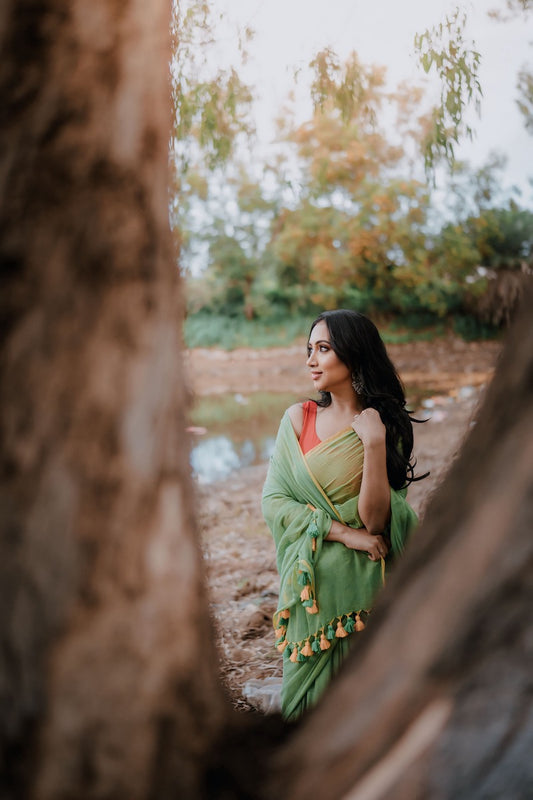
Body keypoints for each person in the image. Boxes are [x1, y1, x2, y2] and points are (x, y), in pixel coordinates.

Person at [261, 309, 422, 721]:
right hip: (313, 593)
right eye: (309, 350)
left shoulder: (387, 427)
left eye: (323, 349)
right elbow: (276, 502)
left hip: (370, 587)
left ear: (354, 354)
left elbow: (376, 523)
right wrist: (345, 535)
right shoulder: (300, 419)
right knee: (305, 713)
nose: (311, 360)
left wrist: (372, 443)